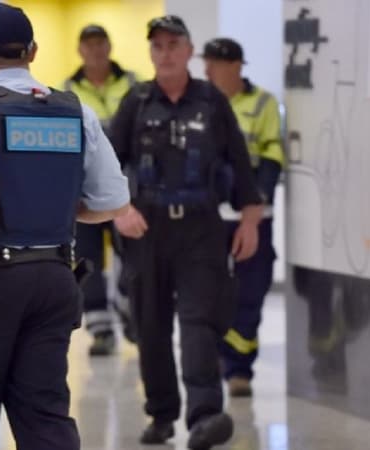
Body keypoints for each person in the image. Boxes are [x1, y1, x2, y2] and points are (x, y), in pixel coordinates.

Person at [0, 4, 130, 450]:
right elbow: (113, 201)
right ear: (33, 51)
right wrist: (54, 209)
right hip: (55, 281)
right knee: (45, 415)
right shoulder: (74, 111)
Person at [110, 15, 264, 449]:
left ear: (190, 50)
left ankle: (205, 416)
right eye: (157, 46)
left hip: (201, 229)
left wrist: (250, 218)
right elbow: (106, 165)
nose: (166, 53)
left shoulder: (212, 102)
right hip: (147, 229)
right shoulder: (136, 102)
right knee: (151, 326)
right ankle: (161, 415)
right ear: (151, 53)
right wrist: (119, 210)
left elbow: (239, 163)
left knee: (199, 322)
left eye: (174, 44)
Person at [202, 37, 284, 397]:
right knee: (211, 292)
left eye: (214, 63)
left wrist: (258, 199)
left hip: (253, 214)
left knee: (253, 288)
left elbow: (272, 152)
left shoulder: (263, 102)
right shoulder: (199, 102)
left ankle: (238, 365)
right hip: (209, 216)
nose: (207, 70)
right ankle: (225, 358)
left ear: (235, 65)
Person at [63, 24, 138, 355]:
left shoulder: (133, 85)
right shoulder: (67, 90)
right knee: (88, 259)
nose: (95, 50)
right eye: (88, 44)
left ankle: (129, 308)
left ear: (109, 46)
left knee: (133, 255)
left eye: (100, 43)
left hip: (127, 191)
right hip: (84, 191)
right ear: (80, 50)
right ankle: (100, 329)